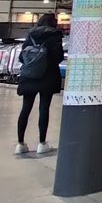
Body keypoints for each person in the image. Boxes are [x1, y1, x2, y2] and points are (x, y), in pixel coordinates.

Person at [15, 12, 64, 157]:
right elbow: (58, 57)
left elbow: (21, 56)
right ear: (52, 23)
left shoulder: (30, 35)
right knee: (44, 109)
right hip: (47, 77)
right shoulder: (55, 36)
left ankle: (20, 144)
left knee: (25, 109)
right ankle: (42, 144)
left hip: (29, 76)